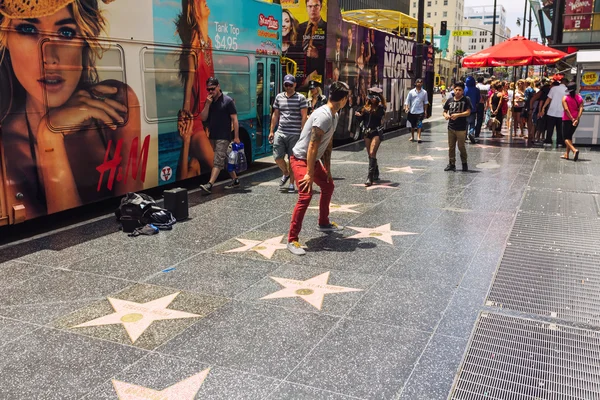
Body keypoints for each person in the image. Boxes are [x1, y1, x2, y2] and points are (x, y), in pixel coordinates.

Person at [0, 0, 142, 219]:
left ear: (85, 40)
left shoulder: (119, 101)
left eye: (66, 32)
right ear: (5, 38)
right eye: (28, 29)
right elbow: (64, 239)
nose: (50, 58)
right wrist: (50, 136)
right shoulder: (4, 148)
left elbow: (131, 215)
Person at [286, 81, 350, 255]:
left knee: (328, 185)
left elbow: (327, 144)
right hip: (300, 158)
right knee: (305, 195)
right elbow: (312, 146)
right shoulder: (323, 116)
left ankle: (323, 222)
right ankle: (292, 240)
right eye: (347, 98)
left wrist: (327, 169)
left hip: (312, 160)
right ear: (343, 99)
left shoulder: (334, 115)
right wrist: (309, 173)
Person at [176, 0, 216, 180]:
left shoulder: (208, 41)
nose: (205, 2)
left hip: (206, 116)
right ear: (195, 9)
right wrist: (186, 113)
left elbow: (212, 81)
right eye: (200, 1)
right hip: (195, 118)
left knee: (208, 167)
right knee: (216, 164)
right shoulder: (194, 38)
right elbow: (190, 74)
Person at [199, 77, 241, 194]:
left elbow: (235, 120)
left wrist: (236, 136)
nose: (211, 91)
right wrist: (207, 104)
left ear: (218, 87)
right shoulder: (210, 102)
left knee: (218, 161)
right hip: (213, 135)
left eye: (212, 89)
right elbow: (203, 117)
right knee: (225, 159)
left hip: (224, 136)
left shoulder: (227, 101)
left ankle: (209, 185)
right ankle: (235, 179)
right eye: (209, 89)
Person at [269, 74, 308, 193]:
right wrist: (271, 131)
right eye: (286, 85)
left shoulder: (301, 98)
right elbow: (275, 115)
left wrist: (303, 132)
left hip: (295, 133)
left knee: (292, 159)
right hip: (281, 131)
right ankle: (285, 173)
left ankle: (291, 184)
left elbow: (304, 116)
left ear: (295, 85)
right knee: (277, 157)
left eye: (290, 85)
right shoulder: (279, 97)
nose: (288, 87)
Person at [355, 88, 386, 186]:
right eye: (370, 97)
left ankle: (370, 177)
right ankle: (375, 172)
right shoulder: (365, 107)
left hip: (376, 131)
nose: (372, 99)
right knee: (370, 154)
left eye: (374, 97)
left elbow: (380, 114)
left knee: (373, 152)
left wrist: (379, 103)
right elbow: (359, 118)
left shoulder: (381, 107)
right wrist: (359, 116)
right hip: (367, 132)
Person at [443, 82, 472, 172]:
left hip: (461, 128)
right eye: (456, 90)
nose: (458, 92)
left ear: (463, 91)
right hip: (451, 127)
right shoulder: (450, 100)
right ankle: (451, 163)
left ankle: (464, 163)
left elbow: (468, 112)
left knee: (461, 146)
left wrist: (458, 115)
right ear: (453, 90)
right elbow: (444, 111)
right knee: (451, 147)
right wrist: (446, 115)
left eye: (460, 90)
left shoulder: (466, 100)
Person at [298, 0, 327, 82]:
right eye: (310, 6)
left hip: (318, 72)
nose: (313, 9)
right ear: (306, 8)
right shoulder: (299, 28)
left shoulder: (327, 27)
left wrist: (318, 54)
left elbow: (333, 52)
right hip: (300, 71)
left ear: (321, 7)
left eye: (316, 6)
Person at [541, 77, 569, 147]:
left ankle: (548, 141)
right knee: (559, 128)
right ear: (566, 83)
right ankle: (559, 142)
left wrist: (543, 107)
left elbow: (549, 98)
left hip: (552, 111)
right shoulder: (567, 90)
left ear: (561, 82)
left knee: (550, 127)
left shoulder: (553, 88)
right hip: (561, 111)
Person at [561, 83, 583, 161]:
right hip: (576, 120)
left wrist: (572, 119)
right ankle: (566, 154)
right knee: (569, 136)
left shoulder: (565, 98)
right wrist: (577, 119)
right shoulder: (579, 98)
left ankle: (574, 150)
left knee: (565, 138)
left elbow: (566, 109)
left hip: (567, 119)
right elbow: (581, 108)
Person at [404, 78, 429, 143]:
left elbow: (426, 102)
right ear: (415, 83)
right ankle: (412, 136)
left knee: (419, 124)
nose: (419, 83)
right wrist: (406, 108)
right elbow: (407, 100)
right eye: (418, 82)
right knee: (412, 125)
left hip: (420, 111)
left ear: (422, 84)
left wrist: (425, 111)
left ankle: (418, 137)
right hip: (412, 111)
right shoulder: (411, 92)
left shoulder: (424, 92)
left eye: (421, 82)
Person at [464, 76, 480, 143]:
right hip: (473, 109)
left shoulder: (464, 89)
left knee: (465, 123)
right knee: (472, 123)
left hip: (464, 109)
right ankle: (471, 132)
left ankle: (464, 136)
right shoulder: (477, 90)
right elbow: (478, 100)